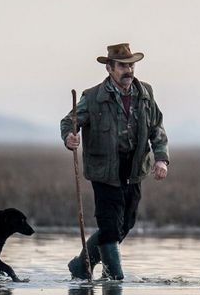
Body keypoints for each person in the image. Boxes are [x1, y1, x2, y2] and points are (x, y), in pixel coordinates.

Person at [60, 43, 170, 281]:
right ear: (109, 68)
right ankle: (115, 279)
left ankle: (81, 265)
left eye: (131, 65)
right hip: (104, 170)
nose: (128, 70)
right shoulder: (93, 97)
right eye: (122, 66)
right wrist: (70, 137)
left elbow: (156, 127)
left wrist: (161, 159)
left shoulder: (145, 93)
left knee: (125, 225)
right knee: (110, 227)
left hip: (134, 169)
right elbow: (70, 121)